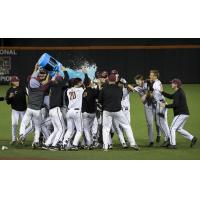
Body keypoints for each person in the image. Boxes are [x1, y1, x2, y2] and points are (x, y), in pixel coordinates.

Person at [99, 74, 139, 151]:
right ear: (115, 80)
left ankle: (105, 146)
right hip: (118, 111)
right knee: (127, 126)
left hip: (107, 111)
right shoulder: (119, 89)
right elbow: (120, 98)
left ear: (108, 80)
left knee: (106, 128)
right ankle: (133, 144)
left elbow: (100, 100)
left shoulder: (104, 89)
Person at [160, 79, 198, 149]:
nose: (171, 84)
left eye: (172, 83)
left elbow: (175, 104)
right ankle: (192, 138)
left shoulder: (178, 93)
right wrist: (162, 92)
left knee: (172, 128)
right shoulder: (179, 91)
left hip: (181, 113)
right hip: (185, 113)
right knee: (179, 128)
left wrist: (165, 106)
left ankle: (173, 144)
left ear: (176, 84)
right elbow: (171, 96)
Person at [18, 64, 49, 149]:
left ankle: (21, 134)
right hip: (37, 111)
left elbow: (33, 77)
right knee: (38, 127)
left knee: (24, 122)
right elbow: (46, 81)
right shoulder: (41, 88)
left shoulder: (30, 86)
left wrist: (36, 69)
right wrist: (49, 74)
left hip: (29, 109)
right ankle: (36, 142)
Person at [133, 75, 161, 146]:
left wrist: (151, 83)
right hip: (147, 106)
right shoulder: (137, 87)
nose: (138, 83)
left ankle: (159, 134)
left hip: (155, 104)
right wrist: (147, 93)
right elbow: (142, 99)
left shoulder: (147, 82)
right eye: (136, 82)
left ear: (142, 80)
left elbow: (156, 85)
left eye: (138, 81)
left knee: (157, 122)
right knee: (150, 123)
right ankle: (151, 141)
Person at [149, 70, 171, 147]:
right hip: (163, 103)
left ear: (155, 76)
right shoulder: (157, 82)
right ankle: (168, 138)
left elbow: (159, 93)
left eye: (151, 75)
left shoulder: (156, 84)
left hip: (161, 104)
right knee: (164, 122)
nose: (150, 76)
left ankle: (168, 139)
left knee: (160, 123)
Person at [62, 78, 84, 150]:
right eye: (80, 82)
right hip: (77, 111)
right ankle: (74, 145)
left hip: (69, 111)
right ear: (78, 83)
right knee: (79, 130)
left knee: (69, 130)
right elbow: (84, 86)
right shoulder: (80, 90)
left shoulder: (68, 90)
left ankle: (64, 144)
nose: (81, 83)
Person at [6, 76, 27, 145]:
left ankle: (23, 138)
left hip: (23, 110)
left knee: (24, 125)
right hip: (15, 110)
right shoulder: (9, 90)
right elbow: (8, 102)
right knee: (14, 124)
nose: (17, 82)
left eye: (18, 80)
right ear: (12, 82)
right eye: (15, 81)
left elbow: (29, 94)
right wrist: (10, 97)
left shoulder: (23, 88)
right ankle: (13, 139)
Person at [82, 78, 99, 148]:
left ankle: (88, 143)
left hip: (85, 113)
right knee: (89, 128)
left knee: (86, 129)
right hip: (92, 113)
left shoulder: (83, 91)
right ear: (90, 83)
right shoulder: (93, 91)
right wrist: (98, 85)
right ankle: (89, 142)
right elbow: (98, 94)